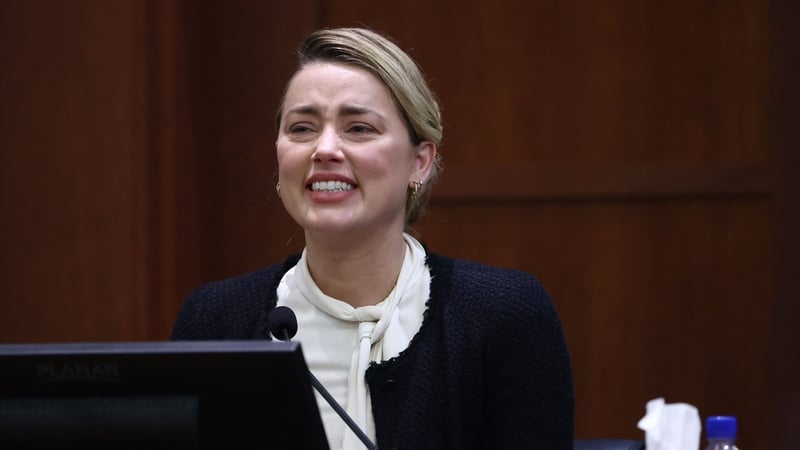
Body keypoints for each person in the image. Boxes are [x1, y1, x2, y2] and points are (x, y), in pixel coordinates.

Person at [171, 27, 574, 449]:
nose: (324, 149)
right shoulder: (215, 322)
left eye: (359, 128)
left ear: (419, 162)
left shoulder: (502, 315)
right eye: (302, 128)